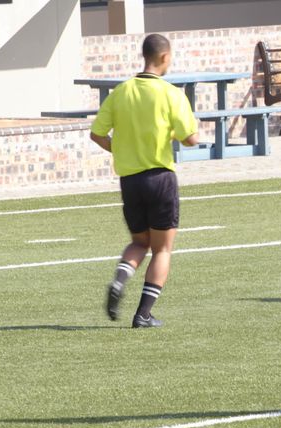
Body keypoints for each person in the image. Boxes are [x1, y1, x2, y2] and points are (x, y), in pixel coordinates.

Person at [91, 33, 199, 329]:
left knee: (139, 242)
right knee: (162, 249)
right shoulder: (171, 94)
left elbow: (97, 134)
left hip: (130, 180)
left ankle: (120, 279)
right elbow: (191, 138)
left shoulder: (121, 92)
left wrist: (121, 149)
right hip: (160, 177)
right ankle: (143, 314)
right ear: (164, 57)